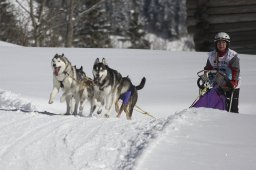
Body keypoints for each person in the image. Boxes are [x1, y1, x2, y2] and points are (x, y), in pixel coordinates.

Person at [204, 32, 240, 113]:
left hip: (231, 83)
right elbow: (207, 68)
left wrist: (234, 82)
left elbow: (236, 70)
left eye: (223, 42)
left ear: (227, 44)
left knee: (231, 108)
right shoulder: (212, 55)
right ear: (216, 44)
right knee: (217, 105)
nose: (221, 45)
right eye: (219, 42)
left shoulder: (232, 56)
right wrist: (205, 79)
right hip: (217, 82)